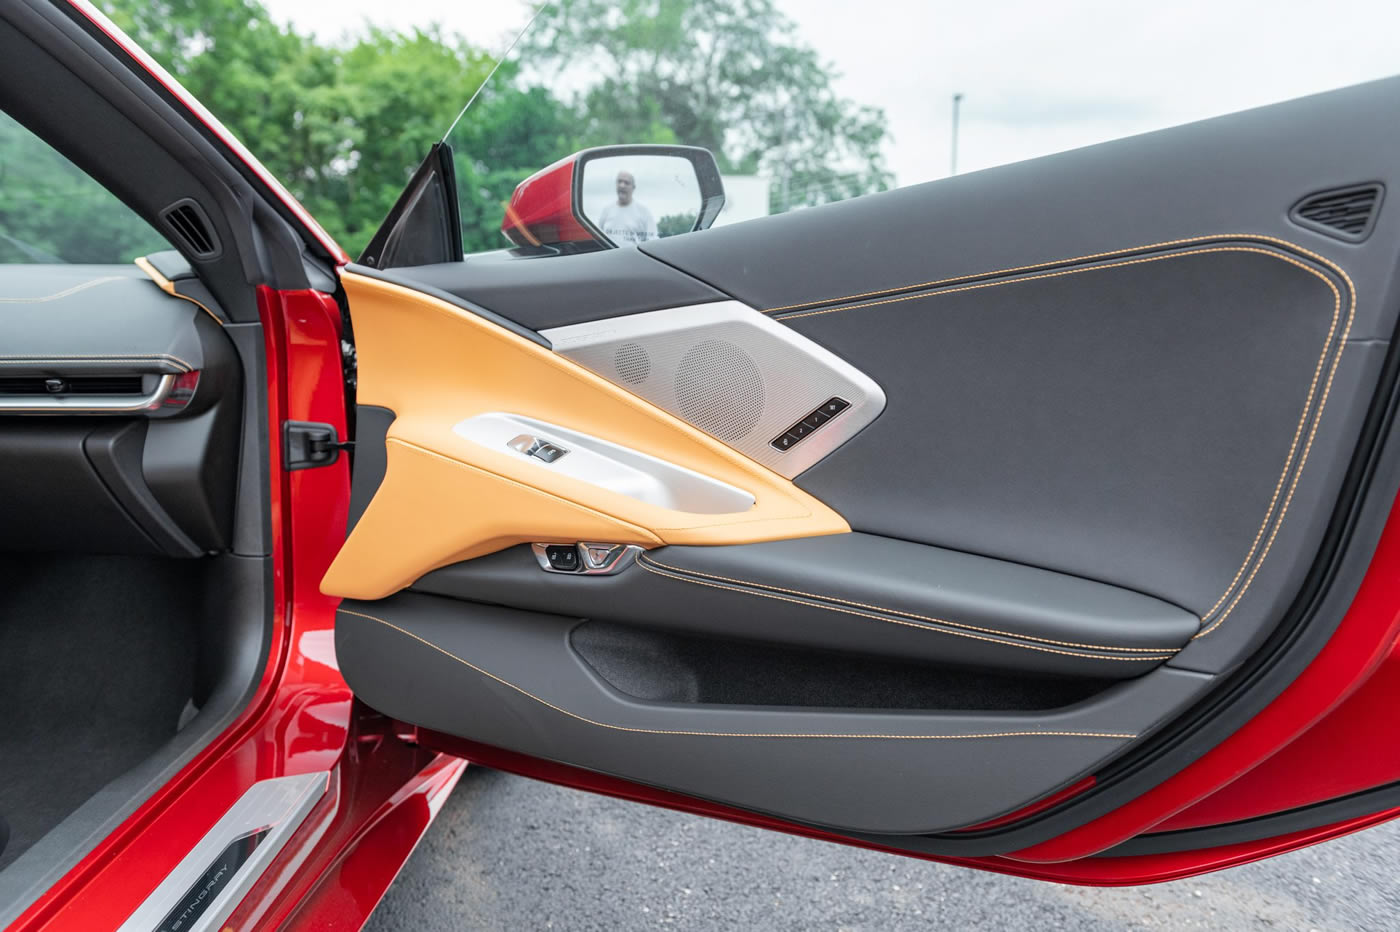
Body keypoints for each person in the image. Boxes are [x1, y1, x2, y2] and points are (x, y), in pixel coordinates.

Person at [596, 170, 658, 244]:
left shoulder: (644, 212)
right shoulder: (606, 210)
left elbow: (653, 240)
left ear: (633, 187)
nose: (622, 185)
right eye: (619, 182)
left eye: (626, 183)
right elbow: (598, 238)